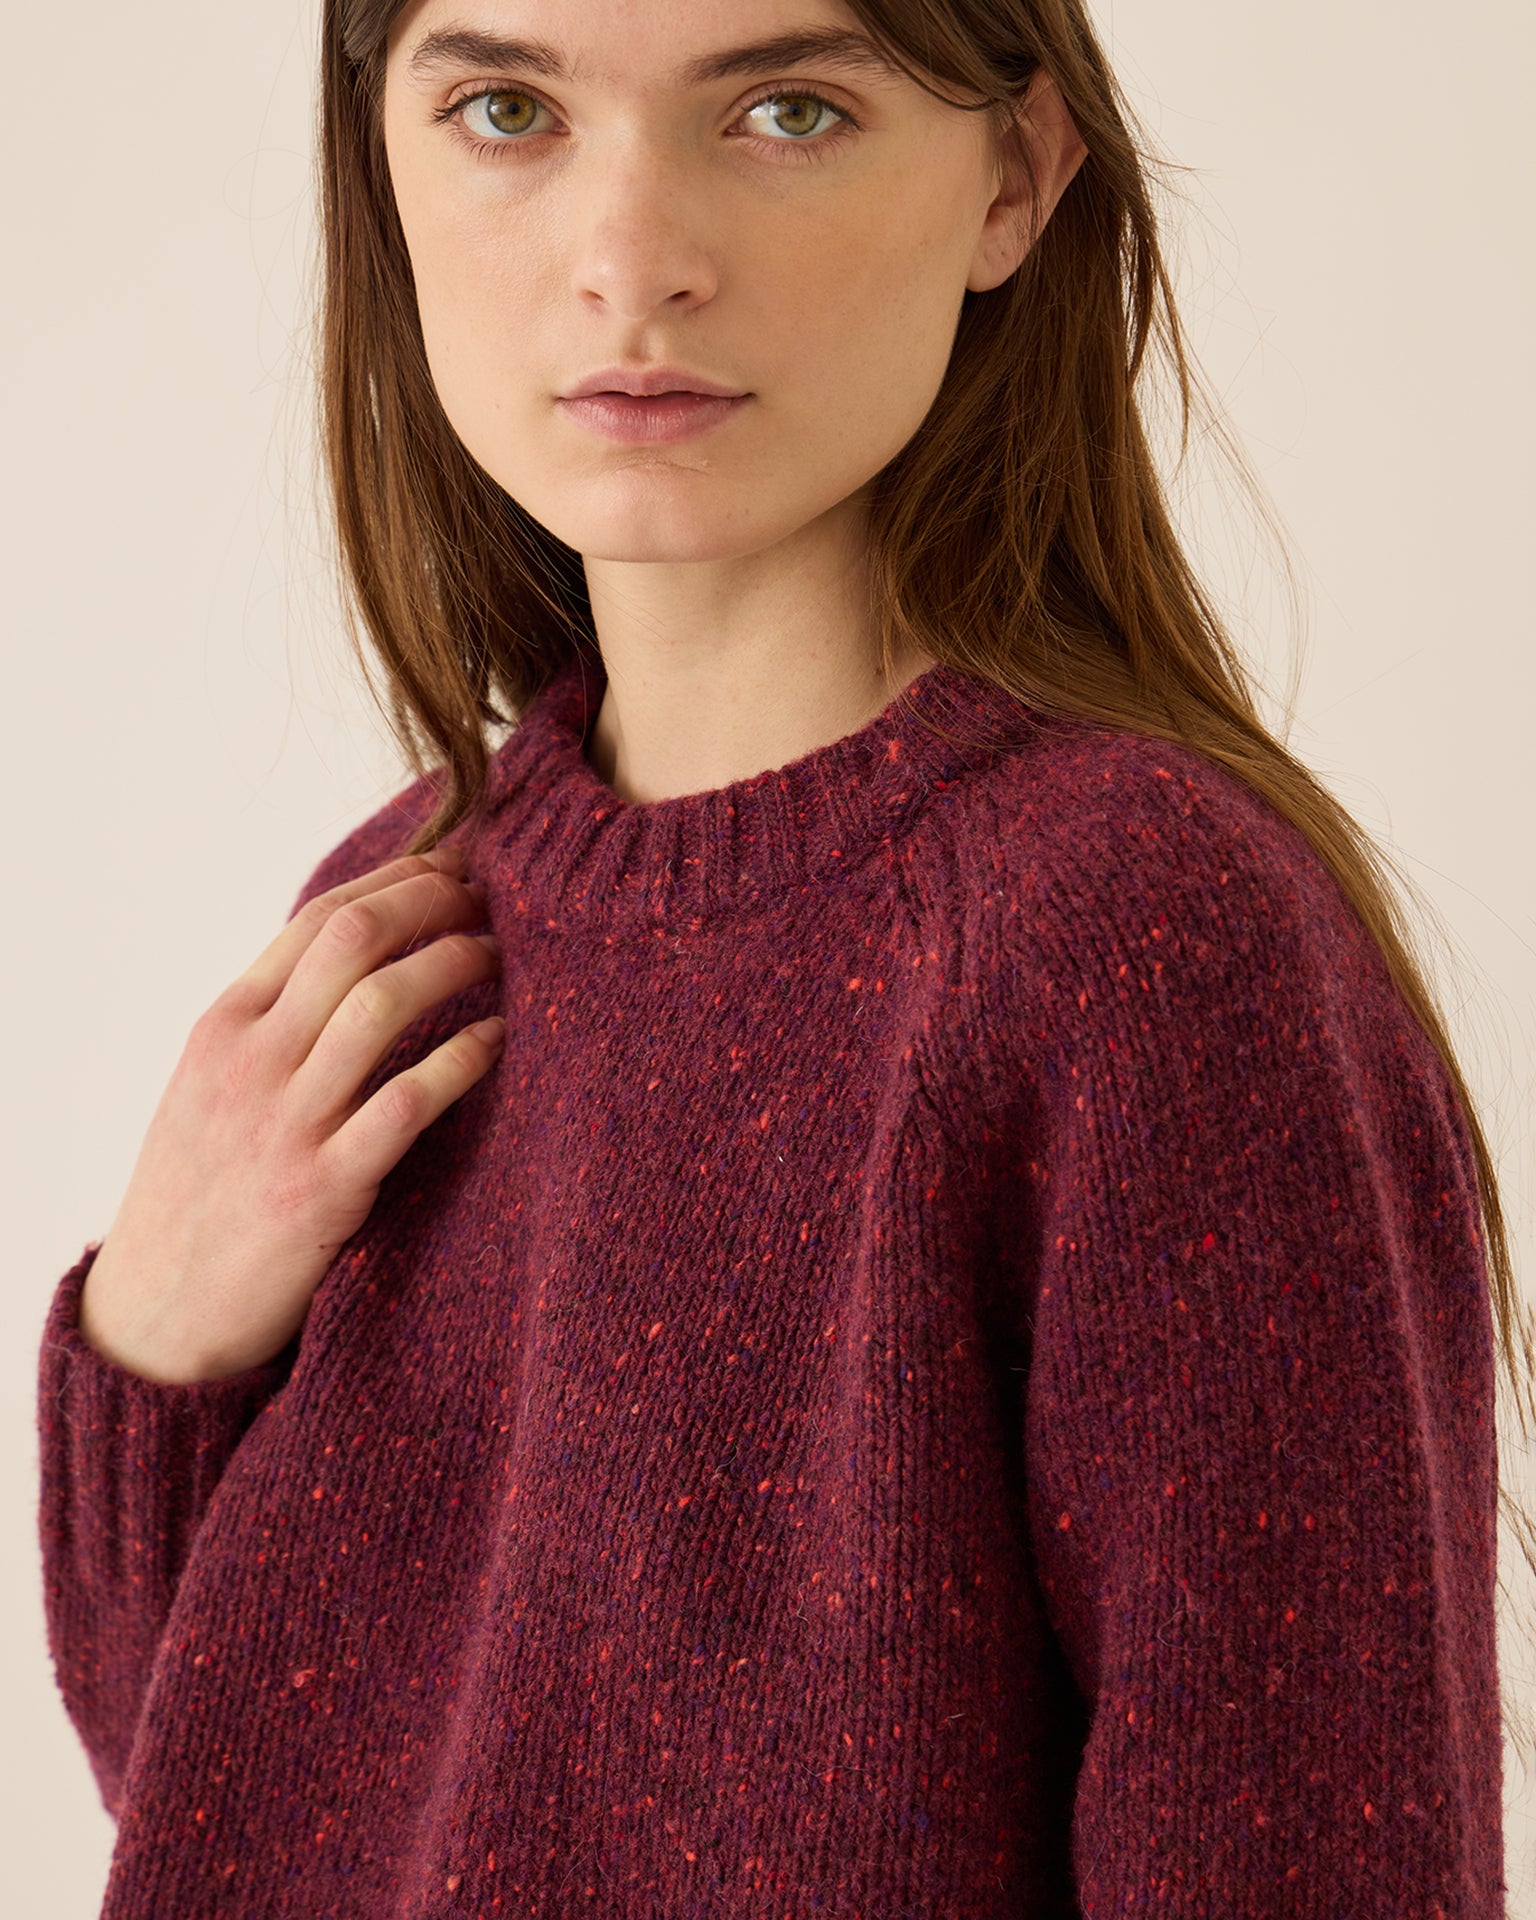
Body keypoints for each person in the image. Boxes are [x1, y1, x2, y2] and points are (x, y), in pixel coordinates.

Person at [35, 1, 1520, 1914]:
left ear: (1018, 175)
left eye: (788, 109)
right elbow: (225, 1814)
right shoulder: (390, 926)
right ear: (380, 163)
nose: (632, 258)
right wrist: (155, 1343)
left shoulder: (1145, 944)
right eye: (506, 109)